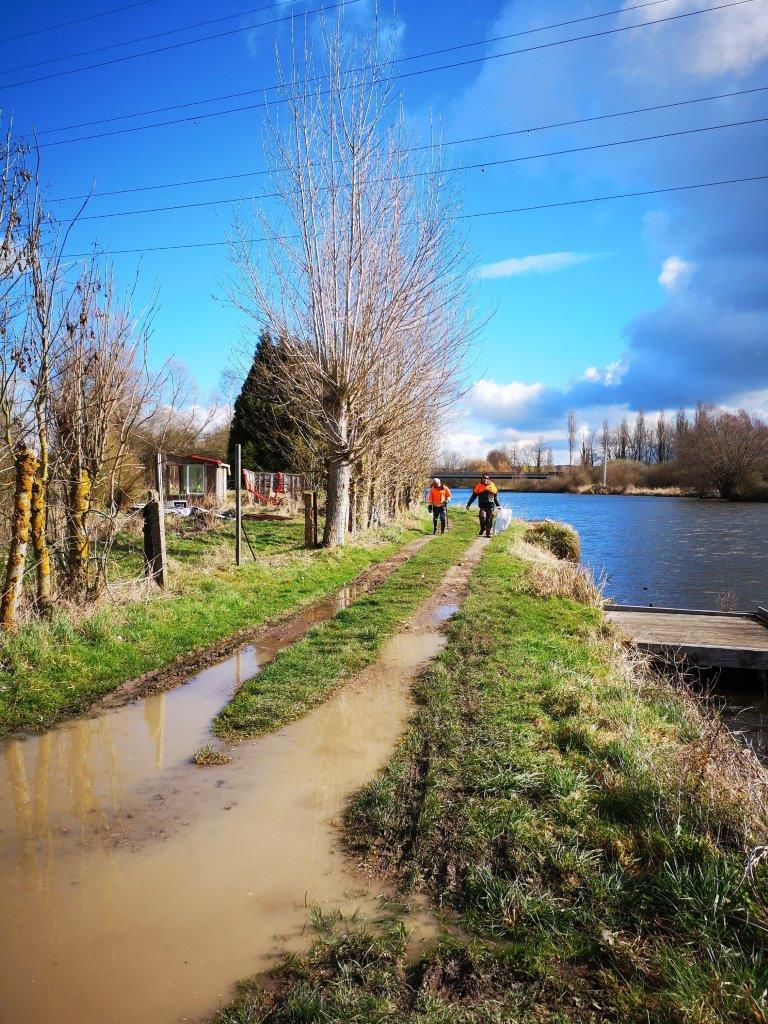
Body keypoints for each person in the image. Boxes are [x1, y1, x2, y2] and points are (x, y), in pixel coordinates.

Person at [466, 472, 500, 537]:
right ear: (481, 479)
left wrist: (498, 505)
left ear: (488, 479)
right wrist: (469, 504)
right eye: (483, 478)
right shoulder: (479, 485)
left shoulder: (492, 485)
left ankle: (488, 533)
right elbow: (474, 496)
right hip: (482, 505)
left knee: (489, 519)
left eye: (486, 478)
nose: (484, 480)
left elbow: (496, 496)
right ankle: (482, 528)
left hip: (491, 505)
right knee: (482, 517)